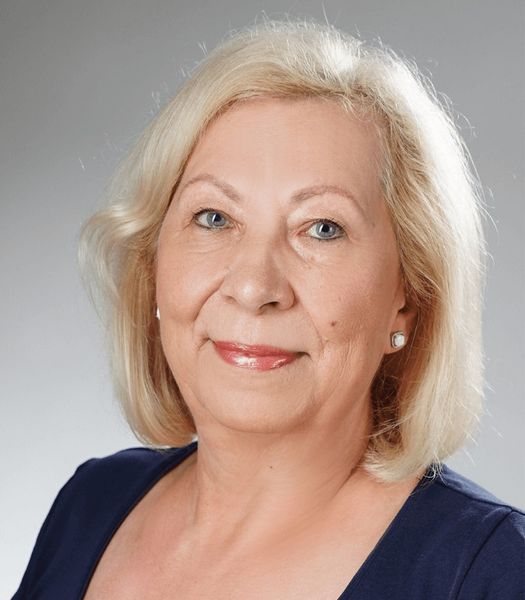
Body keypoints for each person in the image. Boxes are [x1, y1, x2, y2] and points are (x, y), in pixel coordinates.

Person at [13, 17, 524, 600]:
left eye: (322, 228)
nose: (255, 287)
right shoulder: (90, 505)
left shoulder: (492, 573)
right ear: (153, 266)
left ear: (407, 300)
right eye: (214, 218)